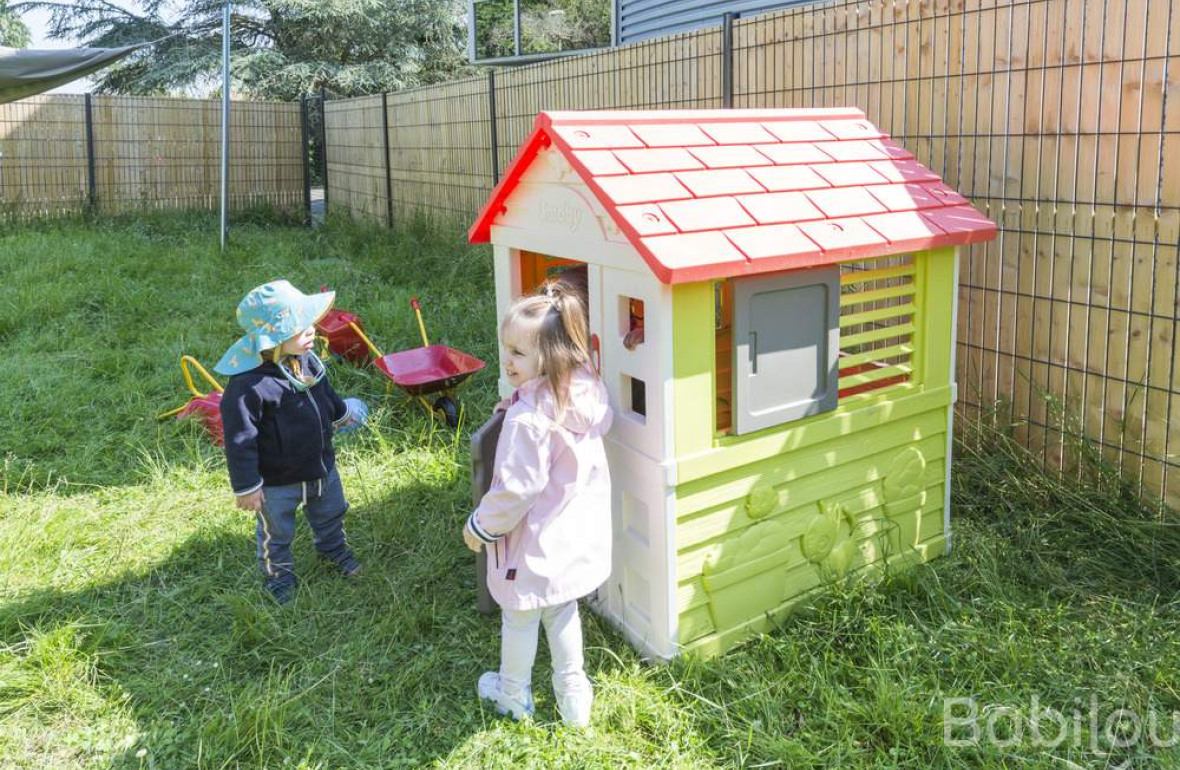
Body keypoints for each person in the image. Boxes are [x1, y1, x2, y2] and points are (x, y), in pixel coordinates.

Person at [463, 281, 613, 728]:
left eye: (518, 353)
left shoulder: (528, 421)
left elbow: (516, 490)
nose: (507, 360)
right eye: (505, 348)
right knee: (563, 610)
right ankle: (573, 695)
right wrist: (515, 399)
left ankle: (512, 693)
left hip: (533, 543)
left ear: (548, 358)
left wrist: (480, 526)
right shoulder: (583, 388)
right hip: (572, 538)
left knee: (521, 616)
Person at [215, 280, 365, 605]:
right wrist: (246, 486)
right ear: (274, 337)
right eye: (300, 326)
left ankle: (333, 550)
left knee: (331, 513)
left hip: (321, 467)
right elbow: (240, 439)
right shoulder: (248, 386)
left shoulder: (305, 360)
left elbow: (324, 393)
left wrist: (340, 415)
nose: (312, 330)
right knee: (277, 532)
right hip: (276, 481)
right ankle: (278, 577)